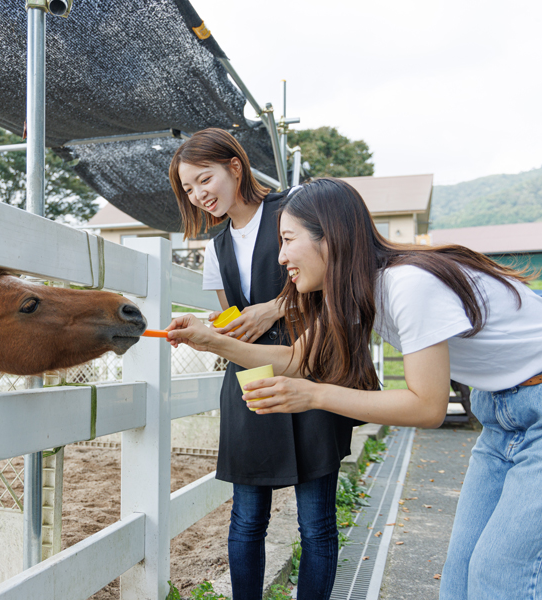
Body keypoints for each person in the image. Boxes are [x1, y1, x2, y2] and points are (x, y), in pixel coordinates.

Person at [166, 177, 542, 600]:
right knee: (460, 571)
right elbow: (295, 360)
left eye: (288, 240)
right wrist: (212, 340)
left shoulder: (408, 284)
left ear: (330, 238)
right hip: (500, 416)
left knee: (500, 573)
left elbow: (427, 406)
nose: (283, 255)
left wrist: (314, 395)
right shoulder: (354, 295)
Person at [169, 129, 356, 600]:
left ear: (235, 167)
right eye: (188, 189)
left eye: (204, 179)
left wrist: (274, 307)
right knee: (247, 518)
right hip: (251, 378)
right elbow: (234, 316)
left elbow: (338, 278)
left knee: (316, 522)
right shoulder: (216, 247)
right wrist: (211, 326)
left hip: (310, 364)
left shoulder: (294, 211)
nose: (198, 195)